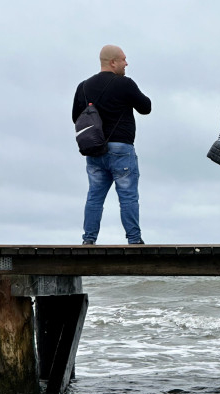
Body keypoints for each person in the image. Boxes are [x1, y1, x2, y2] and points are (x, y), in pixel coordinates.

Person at [72, 45, 152, 245]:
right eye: (124, 59)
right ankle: (134, 240)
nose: (127, 63)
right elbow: (146, 107)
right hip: (121, 149)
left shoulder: (83, 87)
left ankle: (89, 240)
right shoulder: (124, 84)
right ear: (112, 62)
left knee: (94, 197)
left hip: (95, 150)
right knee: (128, 196)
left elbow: (76, 117)